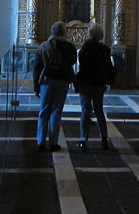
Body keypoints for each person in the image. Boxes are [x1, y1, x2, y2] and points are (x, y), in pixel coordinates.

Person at [33, 21, 77, 152]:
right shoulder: (69, 47)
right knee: (57, 111)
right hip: (62, 80)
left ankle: (41, 141)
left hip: (47, 80)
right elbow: (73, 61)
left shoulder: (43, 46)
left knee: (44, 110)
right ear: (64, 32)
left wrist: (36, 86)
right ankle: (53, 142)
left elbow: (37, 67)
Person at [75, 23, 116, 151]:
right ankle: (104, 138)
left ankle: (83, 139)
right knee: (99, 111)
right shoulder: (105, 50)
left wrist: (77, 80)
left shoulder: (84, 49)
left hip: (86, 83)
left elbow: (83, 67)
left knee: (85, 111)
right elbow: (108, 67)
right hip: (99, 84)